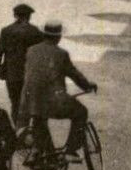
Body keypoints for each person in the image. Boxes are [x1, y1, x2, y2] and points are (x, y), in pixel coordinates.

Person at [21, 21, 96, 157]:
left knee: (39, 118)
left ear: (44, 35)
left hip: (30, 102)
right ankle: (71, 149)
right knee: (81, 112)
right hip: (54, 102)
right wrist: (88, 85)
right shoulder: (61, 54)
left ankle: (47, 154)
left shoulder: (31, 50)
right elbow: (75, 75)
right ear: (58, 37)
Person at [0, 3, 44, 126]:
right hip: (30, 75)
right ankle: (29, 133)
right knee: (30, 104)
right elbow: (42, 54)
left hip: (12, 75)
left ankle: (19, 132)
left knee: (15, 104)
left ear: (15, 15)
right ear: (29, 16)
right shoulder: (35, 31)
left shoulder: (6, 31)